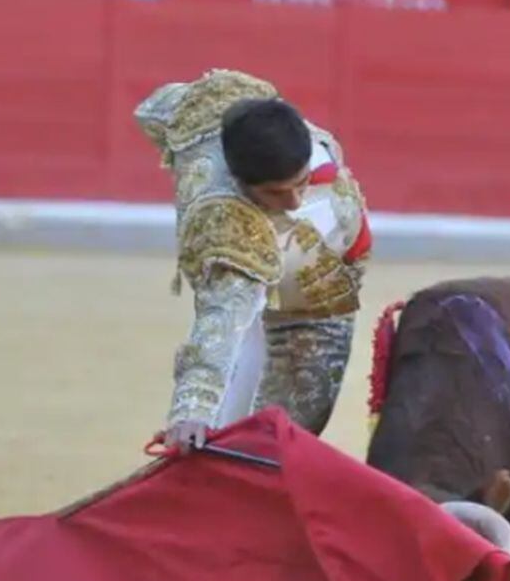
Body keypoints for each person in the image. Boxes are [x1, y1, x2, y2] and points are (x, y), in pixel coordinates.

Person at [135, 69, 372, 452]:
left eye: (300, 183)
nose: (293, 201)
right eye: (276, 193)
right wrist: (191, 410)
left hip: (313, 287)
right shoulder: (234, 224)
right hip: (269, 261)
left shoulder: (214, 107)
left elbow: (152, 109)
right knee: (236, 444)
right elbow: (222, 318)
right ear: (240, 181)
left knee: (281, 441)